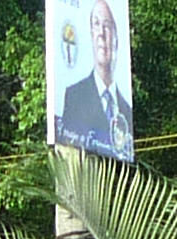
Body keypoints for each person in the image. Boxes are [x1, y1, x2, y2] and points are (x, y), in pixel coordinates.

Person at [56, 0, 133, 160]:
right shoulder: (74, 96)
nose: (101, 33)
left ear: (116, 38)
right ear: (91, 35)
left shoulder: (126, 111)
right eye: (96, 25)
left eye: (107, 25)